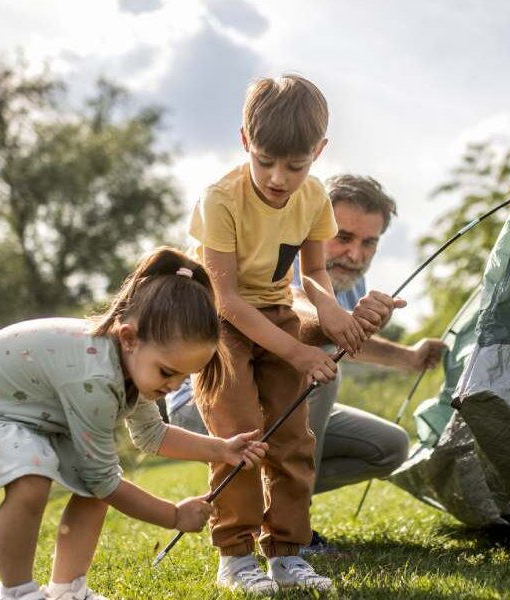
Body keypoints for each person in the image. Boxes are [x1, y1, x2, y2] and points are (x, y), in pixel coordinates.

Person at [0, 248, 268, 600]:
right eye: (168, 373)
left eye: (182, 378)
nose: (172, 387)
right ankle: (16, 592)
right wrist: (173, 515)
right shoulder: (92, 378)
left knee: (92, 490)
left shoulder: (135, 361)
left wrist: (220, 448)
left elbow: (151, 434)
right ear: (129, 337)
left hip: (30, 419)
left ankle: (67, 590)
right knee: (36, 481)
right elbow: (106, 481)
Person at [168, 174, 445, 554]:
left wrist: (409, 357)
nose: (355, 254)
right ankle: (288, 526)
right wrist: (336, 323)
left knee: (391, 447)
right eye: (344, 237)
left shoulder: (349, 281)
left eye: (369, 243)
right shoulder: (287, 256)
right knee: (320, 373)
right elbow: (301, 318)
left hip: (279, 395)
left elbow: (339, 335)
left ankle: (253, 496)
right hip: (203, 398)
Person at [189, 74, 390, 595]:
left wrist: (334, 315)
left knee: (295, 440)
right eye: (265, 161)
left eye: (295, 166)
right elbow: (228, 299)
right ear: (244, 143)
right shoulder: (220, 200)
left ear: (318, 152)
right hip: (220, 324)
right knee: (239, 436)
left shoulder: (314, 197)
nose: (279, 177)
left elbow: (314, 276)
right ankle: (235, 557)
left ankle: (286, 554)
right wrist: (300, 351)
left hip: (275, 311)